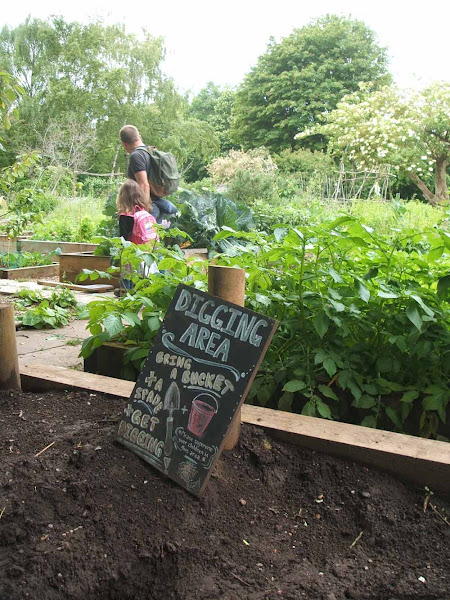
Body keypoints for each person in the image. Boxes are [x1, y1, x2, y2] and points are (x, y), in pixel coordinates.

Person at [119, 124, 178, 223]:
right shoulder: (150, 151)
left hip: (149, 207)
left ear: (124, 144)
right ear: (140, 136)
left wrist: (144, 212)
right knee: (154, 236)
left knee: (145, 237)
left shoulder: (136, 156)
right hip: (156, 203)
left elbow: (144, 185)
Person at [115, 179, 158, 296]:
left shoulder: (125, 216)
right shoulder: (144, 212)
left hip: (133, 251)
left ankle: (125, 292)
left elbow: (123, 238)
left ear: (122, 197)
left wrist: (120, 252)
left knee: (126, 272)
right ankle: (148, 293)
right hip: (146, 250)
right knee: (146, 274)